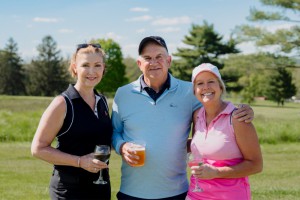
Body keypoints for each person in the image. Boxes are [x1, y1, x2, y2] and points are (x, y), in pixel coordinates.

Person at [112, 36, 254, 200]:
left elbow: (215, 105)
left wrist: (244, 109)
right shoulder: (123, 94)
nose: (154, 62)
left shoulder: (190, 92)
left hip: (177, 192)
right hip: (131, 192)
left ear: (169, 61)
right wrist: (122, 146)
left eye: (159, 57)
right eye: (147, 58)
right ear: (139, 63)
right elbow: (114, 131)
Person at [31, 43, 112, 200]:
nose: (92, 71)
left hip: (100, 188)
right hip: (70, 191)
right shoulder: (62, 103)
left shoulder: (102, 101)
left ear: (103, 69)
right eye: (85, 65)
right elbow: (38, 148)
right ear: (75, 68)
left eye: (97, 65)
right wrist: (80, 161)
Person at [186, 63, 263, 200]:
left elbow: (256, 165)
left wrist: (217, 172)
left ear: (220, 87)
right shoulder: (197, 115)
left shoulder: (237, 118)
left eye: (211, 81)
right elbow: (202, 146)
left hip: (230, 196)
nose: (206, 87)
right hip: (196, 194)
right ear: (195, 90)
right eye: (200, 83)